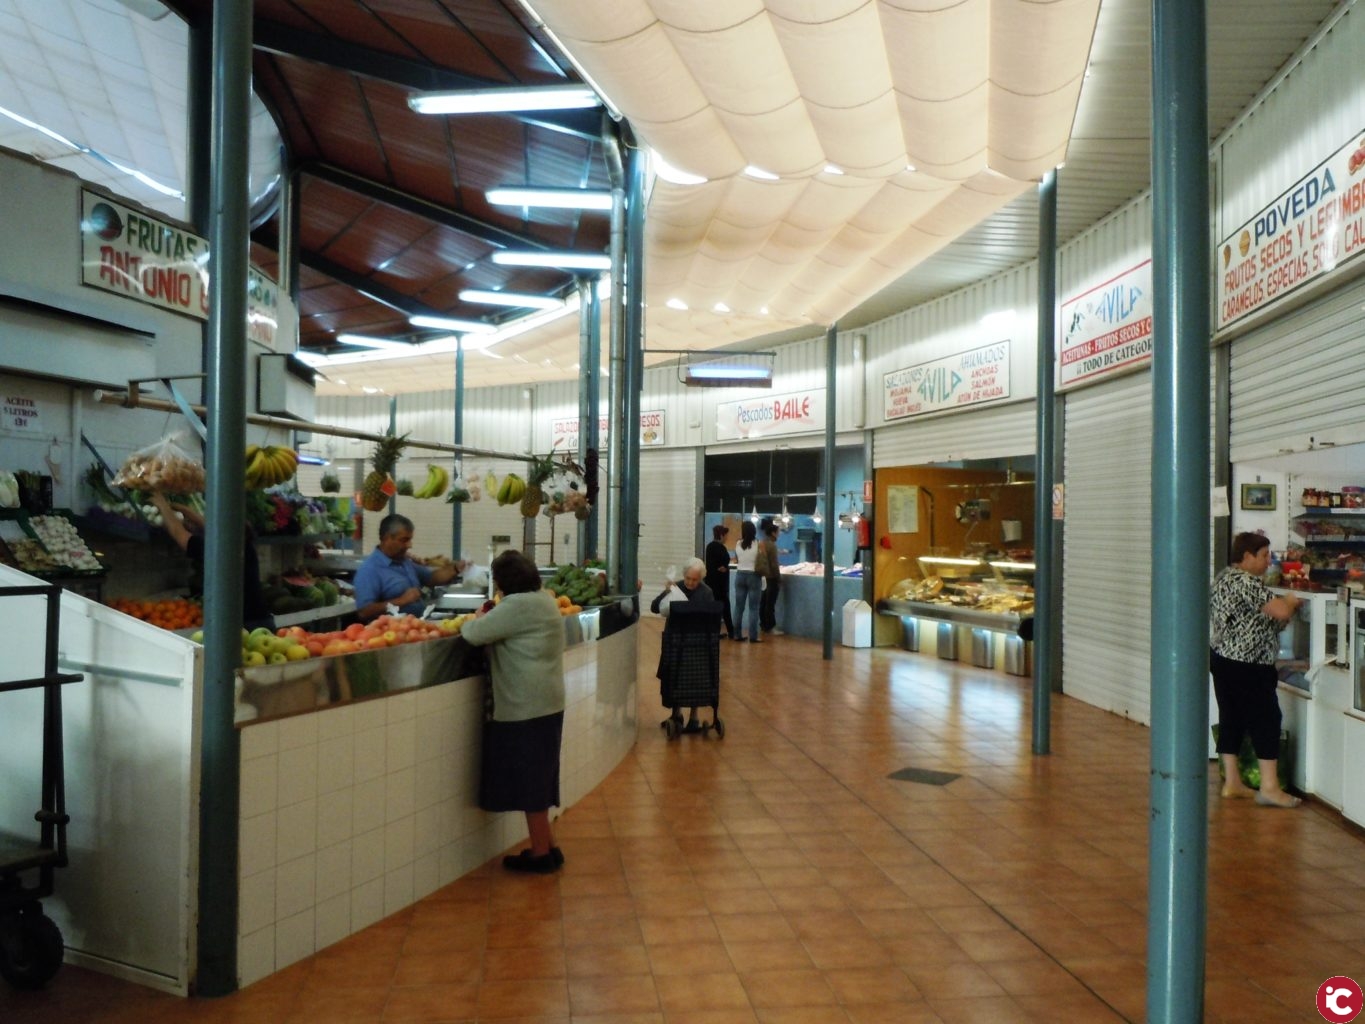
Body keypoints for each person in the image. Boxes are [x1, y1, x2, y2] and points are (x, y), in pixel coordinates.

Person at [459, 549, 567, 873]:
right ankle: (549, 845)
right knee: (541, 776)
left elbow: (473, 634)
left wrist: (477, 617)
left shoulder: (517, 605)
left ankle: (540, 854)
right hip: (549, 701)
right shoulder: (544, 600)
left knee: (530, 781)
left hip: (525, 705)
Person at [1209, 532, 1304, 808]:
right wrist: (1291, 601)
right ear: (1247, 556)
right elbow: (1281, 611)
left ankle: (1232, 782)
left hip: (1223, 658)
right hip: (1248, 664)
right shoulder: (1246, 581)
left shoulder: (1224, 578)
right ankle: (1270, 787)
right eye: (1264, 555)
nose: (1268, 561)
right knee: (1267, 719)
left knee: (1232, 718)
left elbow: (1254, 619)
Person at [150, 492, 274, 632]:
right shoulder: (243, 544)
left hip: (242, 627)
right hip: (263, 620)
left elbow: (178, 533)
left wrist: (162, 505)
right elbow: (212, 527)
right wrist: (186, 510)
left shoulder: (216, 549)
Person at [352, 513, 465, 621]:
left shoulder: (404, 562)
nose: (409, 545)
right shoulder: (369, 570)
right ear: (387, 539)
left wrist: (456, 569)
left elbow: (432, 577)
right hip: (391, 632)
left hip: (416, 627)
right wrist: (402, 600)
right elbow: (364, 611)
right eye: (404, 540)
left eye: (410, 539)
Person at [651, 558, 715, 730]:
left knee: (694, 679)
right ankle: (676, 714)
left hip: (695, 642)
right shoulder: (676, 587)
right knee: (674, 676)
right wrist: (666, 592)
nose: (690, 583)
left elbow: (710, 618)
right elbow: (655, 607)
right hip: (675, 640)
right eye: (688, 578)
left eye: (695, 579)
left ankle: (694, 717)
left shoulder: (706, 592)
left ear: (701, 578)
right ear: (684, 575)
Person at [732, 520, 762, 642]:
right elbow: (761, 559)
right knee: (754, 608)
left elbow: (737, 559)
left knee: (738, 607)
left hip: (740, 575)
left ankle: (736, 634)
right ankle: (753, 636)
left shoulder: (738, 543)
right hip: (754, 576)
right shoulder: (758, 543)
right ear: (754, 531)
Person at [704, 524, 735, 639]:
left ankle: (715, 632)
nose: (727, 538)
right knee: (725, 607)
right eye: (726, 535)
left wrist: (723, 567)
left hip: (711, 582)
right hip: (720, 584)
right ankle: (730, 631)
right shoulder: (721, 548)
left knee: (715, 607)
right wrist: (724, 568)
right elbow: (724, 562)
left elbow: (714, 565)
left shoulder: (709, 546)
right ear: (722, 535)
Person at [758, 518, 784, 637]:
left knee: (763, 602)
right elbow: (774, 564)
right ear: (773, 533)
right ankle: (771, 626)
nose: (779, 534)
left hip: (763, 577)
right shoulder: (772, 546)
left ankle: (763, 625)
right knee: (770, 604)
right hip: (771, 578)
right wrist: (778, 578)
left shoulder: (762, 543)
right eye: (778, 532)